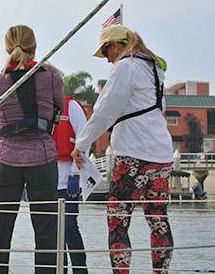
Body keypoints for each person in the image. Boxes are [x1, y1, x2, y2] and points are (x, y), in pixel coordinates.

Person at [71, 24, 173, 274]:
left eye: (106, 53)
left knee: (118, 223)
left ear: (115, 46)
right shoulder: (155, 67)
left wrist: (81, 145)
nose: (107, 60)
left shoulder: (124, 66)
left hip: (132, 153)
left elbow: (105, 111)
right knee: (159, 222)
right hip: (161, 155)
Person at [0, 25, 64, 274]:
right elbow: (58, 106)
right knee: (46, 230)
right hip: (42, 158)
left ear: (6, 48)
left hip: (6, 161)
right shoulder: (51, 78)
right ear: (35, 47)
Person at [53, 96, 89, 274]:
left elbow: (84, 137)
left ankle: (80, 271)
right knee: (51, 235)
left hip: (68, 183)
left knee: (69, 228)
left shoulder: (71, 106)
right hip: (44, 183)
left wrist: (75, 172)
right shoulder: (37, 107)